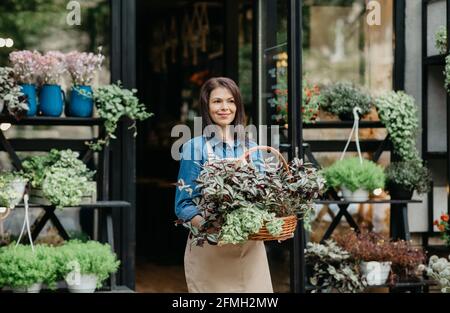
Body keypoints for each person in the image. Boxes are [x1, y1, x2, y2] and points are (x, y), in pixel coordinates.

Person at [174, 77, 273, 293]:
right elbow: (183, 205)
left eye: (230, 101)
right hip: (211, 251)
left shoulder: (252, 147)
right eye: (217, 101)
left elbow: (264, 196)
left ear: (237, 105)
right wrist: (212, 229)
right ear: (206, 106)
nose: (224, 107)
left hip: (250, 253)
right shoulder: (194, 148)